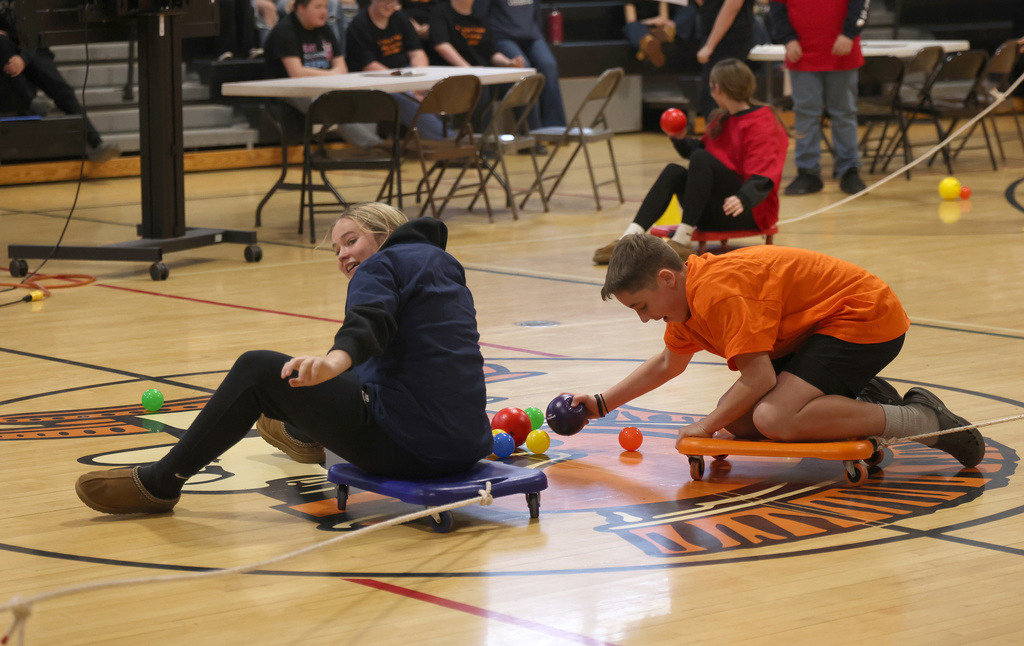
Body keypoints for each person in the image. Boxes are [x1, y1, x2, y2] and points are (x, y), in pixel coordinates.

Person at [75, 202, 494, 515]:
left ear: (386, 235)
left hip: (411, 451)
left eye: (352, 241)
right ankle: (299, 430)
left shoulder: (379, 267)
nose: (344, 256)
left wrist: (334, 361)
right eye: (336, 250)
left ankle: (160, 484)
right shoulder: (444, 265)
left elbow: (370, 322)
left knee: (258, 368)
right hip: (466, 445)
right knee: (307, 376)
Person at [570, 235, 985, 470]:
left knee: (773, 416)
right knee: (747, 422)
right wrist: (602, 403)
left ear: (666, 279)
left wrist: (707, 427)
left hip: (863, 317)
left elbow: (759, 378)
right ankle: (864, 400)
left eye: (641, 306)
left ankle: (922, 419)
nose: (644, 319)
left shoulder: (717, 292)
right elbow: (667, 363)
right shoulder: (683, 304)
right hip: (816, 330)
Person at [593, 59, 788, 265]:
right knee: (674, 171)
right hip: (716, 209)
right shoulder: (722, 119)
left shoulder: (763, 121)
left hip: (746, 210)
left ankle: (682, 239)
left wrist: (744, 198)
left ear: (717, 88)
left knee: (701, 158)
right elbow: (702, 153)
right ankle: (629, 240)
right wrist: (679, 139)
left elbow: (765, 172)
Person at [768, 0, 868, 195]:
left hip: (842, 50)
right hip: (802, 52)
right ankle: (808, 172)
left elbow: (861, 5)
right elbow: (776, 9)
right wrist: (787, 39)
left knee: (844, 112)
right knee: (805, 114)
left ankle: (849, 170)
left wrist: (849, 33)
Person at [0, 2, 120, 163]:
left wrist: (22, 59)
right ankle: (30, 101)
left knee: (62, 90)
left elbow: (33, 31)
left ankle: (95, 142)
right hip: (5, 51)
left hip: (33, 49)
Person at [264, 0, 383, 149]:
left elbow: (342, 67)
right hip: (290, 89)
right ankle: (375, 145)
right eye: (318, 7)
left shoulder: (324, 29)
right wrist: (331, 74)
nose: (324, 12)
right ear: (301, 9)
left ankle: (369, 148)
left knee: (364, 96)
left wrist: (331, 75)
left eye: (325, 7)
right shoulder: (285, 31)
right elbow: (296, 73)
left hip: (324, 83)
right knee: (327, 103)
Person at [345, 0, 445, 140]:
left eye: (392, 2)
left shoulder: (400, 18)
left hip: (406, 74)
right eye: (384, 2)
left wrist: (419, 83)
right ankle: (446, 141)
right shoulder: (359, 24)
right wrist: (405, 86)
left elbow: (417, 53)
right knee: (404, 97)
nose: (388, 5)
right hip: (376, 81)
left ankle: (440, 139)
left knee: (443, 89)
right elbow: (370, 66)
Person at [476, 0, 566, 132]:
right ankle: (530, 132)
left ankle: (555, 128)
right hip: (503, 35)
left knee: (549, 64)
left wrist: (537, 32)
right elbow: (481, 13)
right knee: (524, 69)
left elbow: (536, 12)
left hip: (532, 35)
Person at [694, 0, 755, 119]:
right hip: (711, 30)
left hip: (730, 37)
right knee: (710, 97)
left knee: (723, 96)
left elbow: (733, 5)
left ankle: (725, 135)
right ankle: (717, 135)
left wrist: (710, 45)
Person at [622, 0, 701, 69]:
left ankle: (646, 44)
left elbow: (664, 18)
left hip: (662, 28)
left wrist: (664, 23)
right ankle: (648, 41)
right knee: (631, 27)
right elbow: (631, 20)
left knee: (690, 10)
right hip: (642, 26)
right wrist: (651, 21)